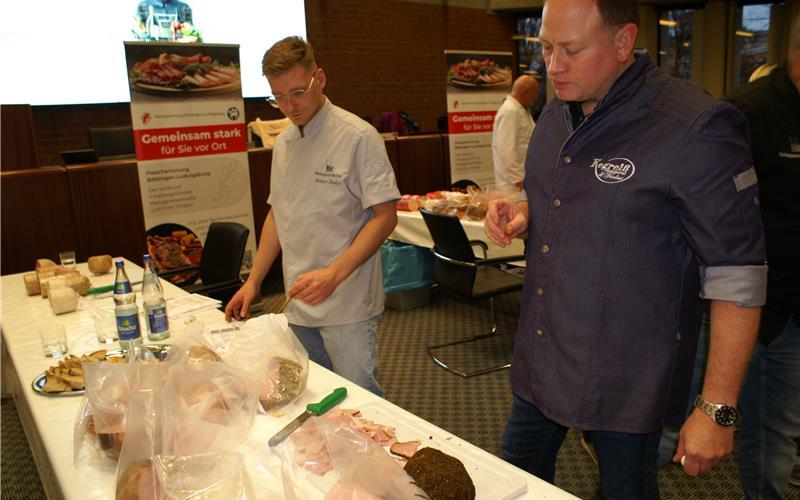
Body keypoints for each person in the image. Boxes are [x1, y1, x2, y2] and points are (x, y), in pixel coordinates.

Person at [484, 0, 767, 497]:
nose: (554, 66)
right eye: (546, 48)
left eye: (571, 50)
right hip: (544, 351)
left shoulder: (693, 127)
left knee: (625, 491)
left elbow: (738, 274)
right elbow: (568, 202)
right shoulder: (555, 115)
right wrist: (525, 213)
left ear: (622, 42)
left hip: (628, 375)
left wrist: (717, 408)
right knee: (514, 481)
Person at [225, 36, 400, 397]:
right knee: (311, 395)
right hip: (298, 299)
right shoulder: (284, 143)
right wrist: (253, 281)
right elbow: (278, 215)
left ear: (319, 78)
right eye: (278, 97)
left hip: (347, 300)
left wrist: (333, 274)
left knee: (360, 399)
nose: (289, 106)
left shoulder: (358, 137)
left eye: (297, 93)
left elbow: (385, 217)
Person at [724, 14, 800, 500]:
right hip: (750, 308)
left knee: (776, 434)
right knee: (675, 427)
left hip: (792, 309)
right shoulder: (749, 113)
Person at [491, 75, 539, 192]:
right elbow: (506, 149)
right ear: (526, 92)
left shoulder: (519, 110)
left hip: (521, 180)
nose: (536, 98)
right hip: (513, 185)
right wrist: (518, 179)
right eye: (535, 93)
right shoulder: (510, 111)